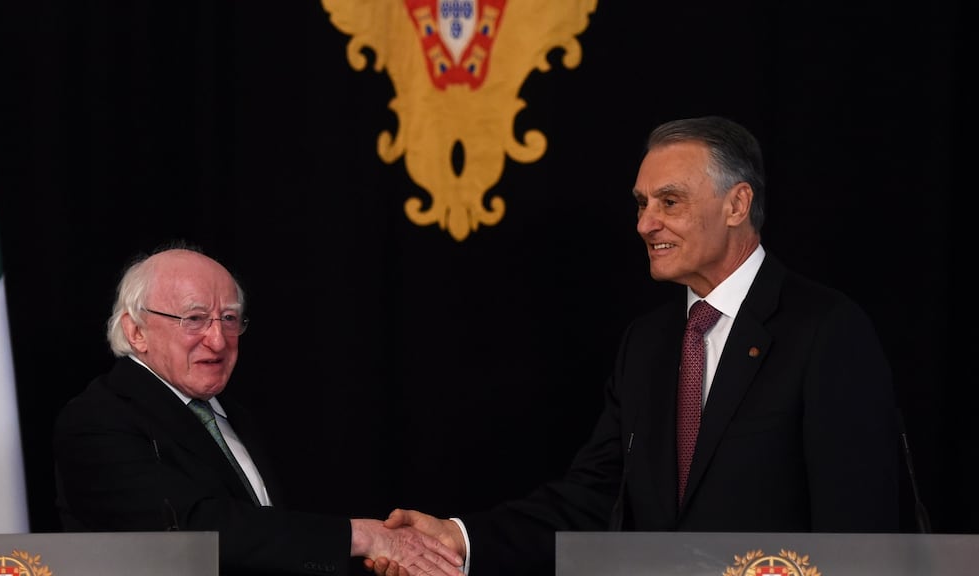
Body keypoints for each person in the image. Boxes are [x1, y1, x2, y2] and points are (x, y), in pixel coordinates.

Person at [369, 115, 901, 576]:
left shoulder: (825, 329)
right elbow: (595, 499)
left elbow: (857, 540)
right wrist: (459, 538)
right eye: (642, 204)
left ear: (738, 203)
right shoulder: (648, 344)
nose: (646, 223)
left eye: (670, 201)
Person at [52, 243, 463, 576]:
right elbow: (195, 531)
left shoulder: (234, 414)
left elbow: (270, 538)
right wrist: (363, 538)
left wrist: (374, 555)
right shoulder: (96, 422)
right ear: (136, 331)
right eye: (195, 319)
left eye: (229, 318)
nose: (218, 339)